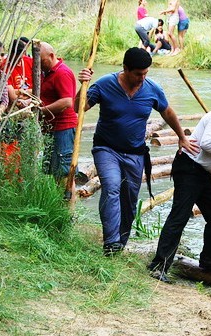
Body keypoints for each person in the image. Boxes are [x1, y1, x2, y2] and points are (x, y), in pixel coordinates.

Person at [77, 48, 196, 256]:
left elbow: (167, 111)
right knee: (112, 187)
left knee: (130, 200)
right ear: (125, 69)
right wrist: (82, 86)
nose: (142, 78)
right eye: (138, 74)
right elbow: (79, 108)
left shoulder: (152, 89)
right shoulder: (105, 84)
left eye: (145, 73)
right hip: (107, 148)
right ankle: (111, 242)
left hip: (135, 153)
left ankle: (120, 243)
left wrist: (182, 137)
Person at [147, 94, 211, 283]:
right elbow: (206, 143)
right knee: (180, 215)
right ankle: (158, 265)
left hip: (204, 173)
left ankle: (208, 260)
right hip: (189, 168)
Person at [38, 43, 78, 179]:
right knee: (54, 171)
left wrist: (41, 111)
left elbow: (67, 101)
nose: (39, 65)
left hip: (63, 128)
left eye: (42, 61)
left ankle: (67, 200)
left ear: (51, 56)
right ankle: (59, 200)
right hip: (51, 128)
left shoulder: (62, 73)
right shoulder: (46, 73)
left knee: (64, 172)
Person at [6, 38, 34, 105]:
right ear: (10, 53)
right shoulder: (4, 66)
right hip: (16, 102)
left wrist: (19, 92)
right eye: (16, 57)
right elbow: (10, 94)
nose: (19, 59)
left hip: (33, 100)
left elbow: (40, 88)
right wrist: (29, 92)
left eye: (21, 56)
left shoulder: (30, 61)